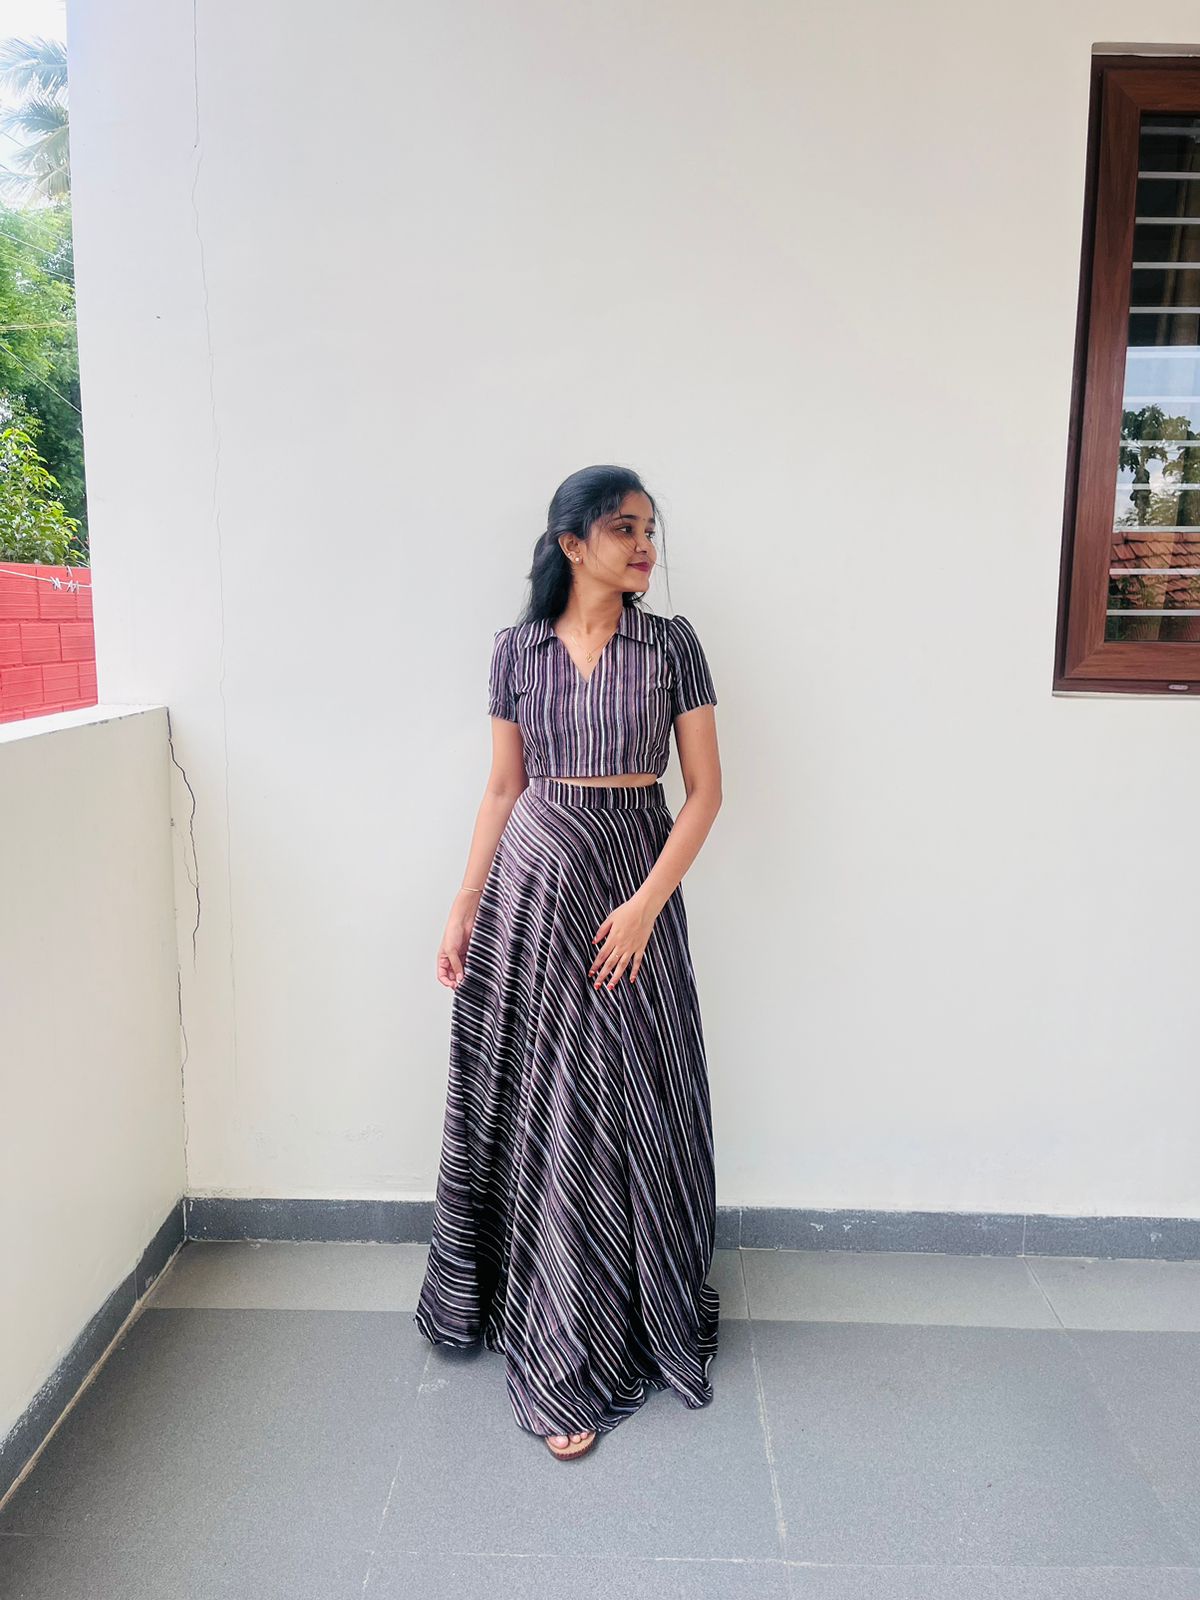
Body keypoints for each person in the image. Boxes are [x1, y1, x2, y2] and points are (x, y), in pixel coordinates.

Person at [413, 463, 723, 1462]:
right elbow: (503, 788)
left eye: (650, 530)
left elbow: (706, 793)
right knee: (548, 1104)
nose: (645, 546)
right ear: (571, 543)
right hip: (535, 893)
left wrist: (644, 908)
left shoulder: (671, 645)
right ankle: (555, 1332)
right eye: (625, 529)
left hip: (634, 886)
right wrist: (464, 903)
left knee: (627, 1098)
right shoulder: (516, 651)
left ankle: (624, 1312)